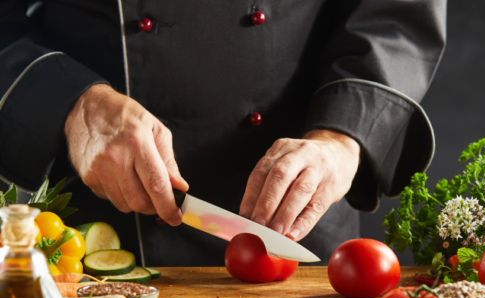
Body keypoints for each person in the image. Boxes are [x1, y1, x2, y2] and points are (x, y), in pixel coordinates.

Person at [0, 1, 446, 266]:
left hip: (297, 217)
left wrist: (342, 136)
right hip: (91, 237)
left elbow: (394, 13)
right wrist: (74, 105)